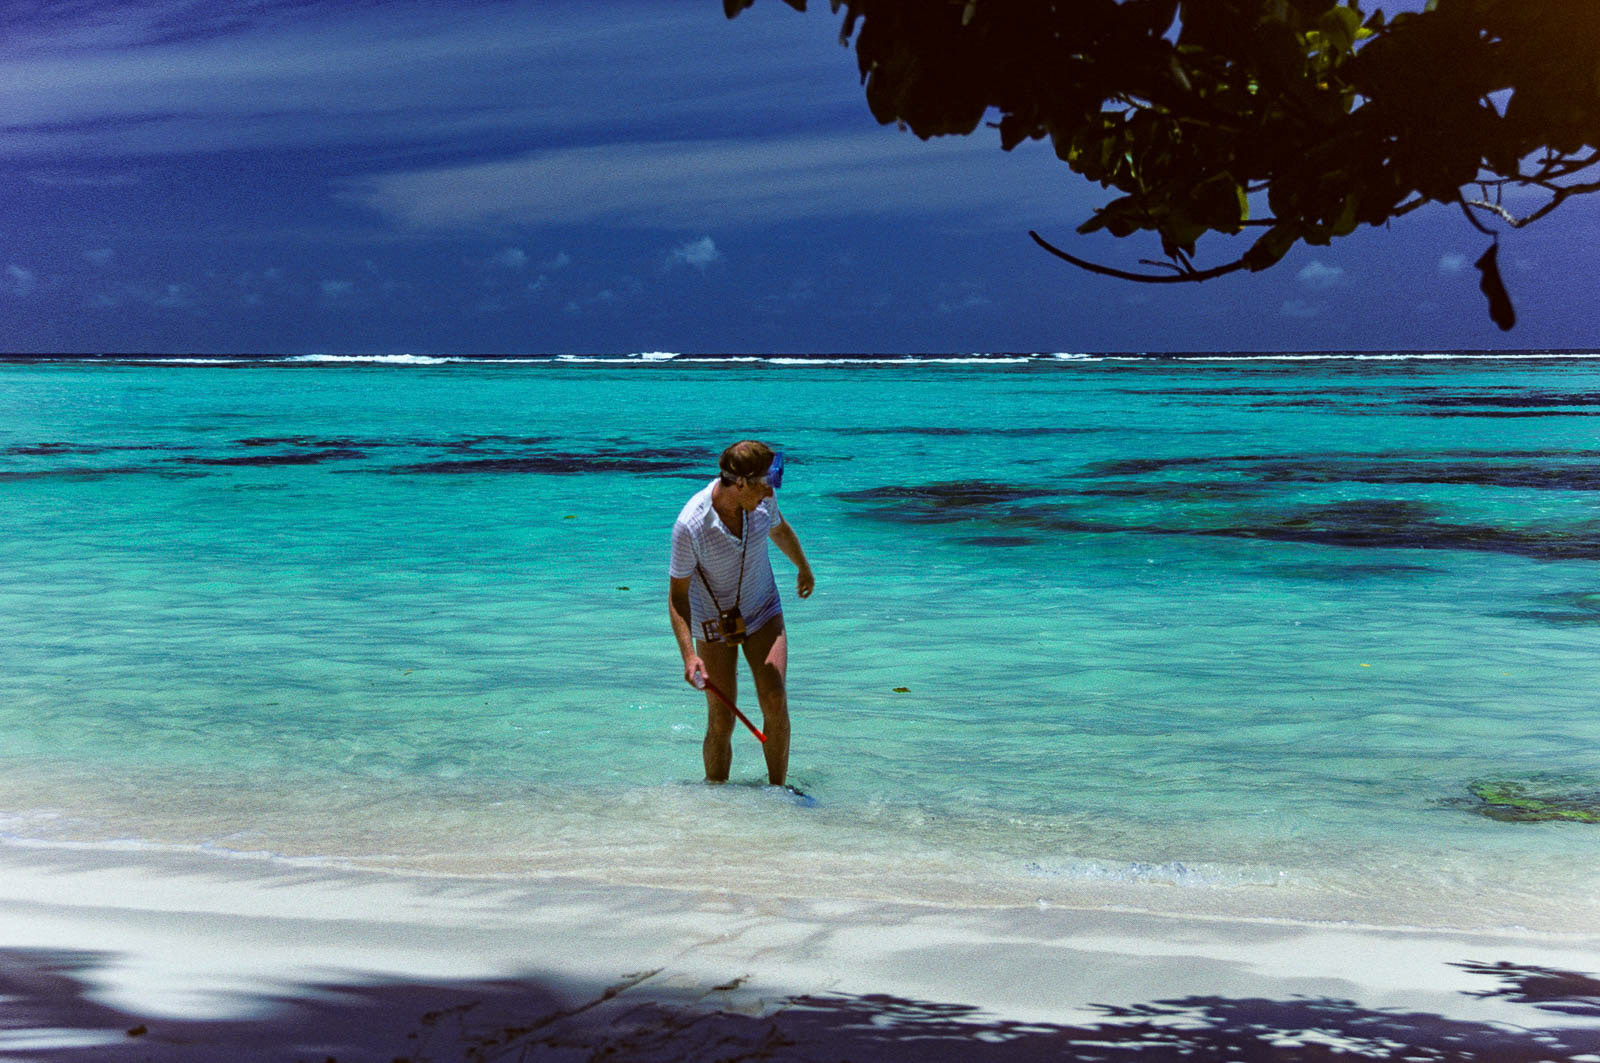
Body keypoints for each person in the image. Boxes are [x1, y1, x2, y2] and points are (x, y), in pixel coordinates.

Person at [669, 440, 814, 786]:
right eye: (765, 483)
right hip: (712, 620)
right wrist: (689, 656)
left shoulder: (763, 500)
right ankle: (715, 800)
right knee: (722, 719)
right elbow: (677, 597)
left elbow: (778, 529)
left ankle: (779, 792)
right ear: (741, 483)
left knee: (775, 698)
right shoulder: (690, 525)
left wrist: (803, 567)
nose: (770, 492)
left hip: (762, 606)